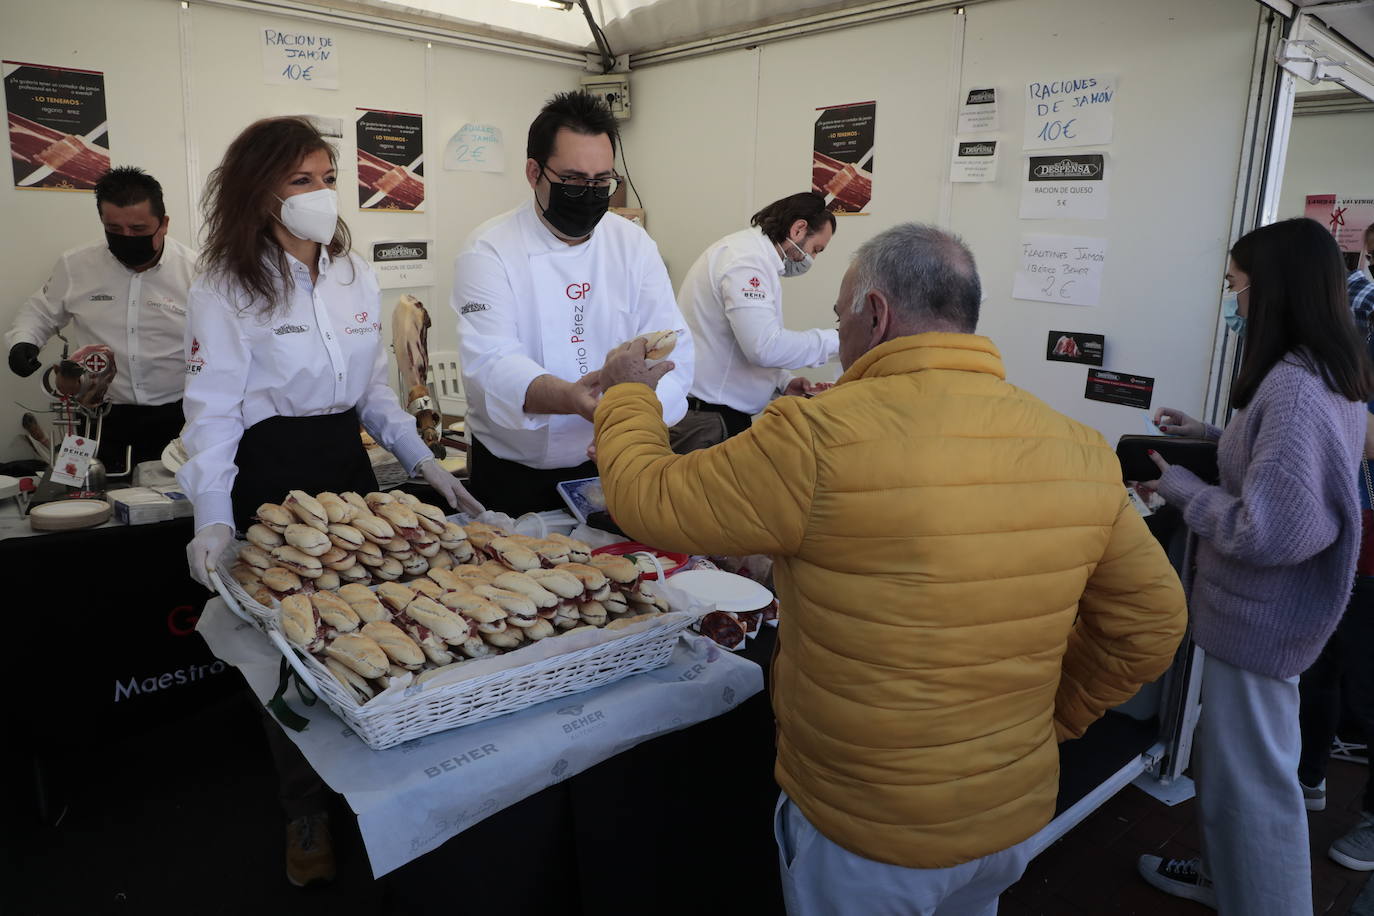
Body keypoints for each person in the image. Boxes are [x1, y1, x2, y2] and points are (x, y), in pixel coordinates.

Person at [589, 222, 1188, 915]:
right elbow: (1153, 621)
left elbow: (646, 498)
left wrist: (628, 392)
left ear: (874, 315)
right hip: (1008, 815)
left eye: (841, 314)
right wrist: (1054, 719)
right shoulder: (1078, 447)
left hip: (868, 831)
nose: (839, 334)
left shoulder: (818, 435)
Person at [177, 116, 481, 887]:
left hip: (345, 463)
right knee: (291, 654)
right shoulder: (224, 285)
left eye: (324, 177)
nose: (319, 194)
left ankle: (377, 778)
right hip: (269, 473)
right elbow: (211, 410)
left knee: (372, 626)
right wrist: (212, 514)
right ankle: (303, 804)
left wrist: (427, 465)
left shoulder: (352, 272)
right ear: (258, 193)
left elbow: (375, 390)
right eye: (298, 181)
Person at [1138, 218, 1374, 914]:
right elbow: (1281, 468)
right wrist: (1209, 441)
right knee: (1232, 770)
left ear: (1273, 291)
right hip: (1258, 621)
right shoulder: (1317, 373)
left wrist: (1182, 488)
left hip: (1262, 622)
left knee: (1255, 792)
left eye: (1238, 287)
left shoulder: (1298, 387)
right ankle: (1225, 878)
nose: (1234, 302)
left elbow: (1273, 527)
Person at [452, 90, 693, 516]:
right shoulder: (490, 248)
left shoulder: (631, 244)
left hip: (614, 463)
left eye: (602, 182)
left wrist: (633, 418)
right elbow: (491, 364)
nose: (590, 192)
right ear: (533, 172)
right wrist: (572, 398)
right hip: (516, 476)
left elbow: (672, 348)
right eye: (574, 180)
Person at [5, 166, 195, 472]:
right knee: (85, 499)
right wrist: (23, 341)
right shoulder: (76, 265)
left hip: (179, 418)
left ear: (164, 224)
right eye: (115, 230)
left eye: (138, 229)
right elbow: (39, 312)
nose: (127, 238)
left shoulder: (197, 272)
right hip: (98, 416)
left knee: (176, 510)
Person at [1294, 253, 1374, 873]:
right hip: (1347, 517)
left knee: (1369, 678)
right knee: (1320, 660)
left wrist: (1335, 416)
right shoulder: (1357, 306)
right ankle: (1308, 774)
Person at [670, 191, 838, 451]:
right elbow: (764, 347)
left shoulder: (750, 255)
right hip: (710, 421)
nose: (812, 259)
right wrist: (840, 339)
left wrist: (783, 381)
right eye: (816, 249)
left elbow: (739, 342)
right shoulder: (746, 262)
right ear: (798, 229)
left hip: (715, 415)